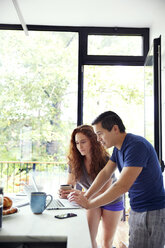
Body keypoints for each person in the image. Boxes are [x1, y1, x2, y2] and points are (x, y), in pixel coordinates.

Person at [68, 111, 165, 248]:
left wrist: (89, 204)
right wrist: (87, 195)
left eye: (100, 133)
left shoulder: (136, 146)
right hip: (137, 208)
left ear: (115, 129)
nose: (97, 139)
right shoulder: (118, 149)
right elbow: (105, 173)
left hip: (153, 210)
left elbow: (121, 186)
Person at [59, 124, 124, 248]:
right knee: (89, 238)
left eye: (83, 142)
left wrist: (81, 194)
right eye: (77, 143)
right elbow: (70, 183)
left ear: (93, 141)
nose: (80, 146)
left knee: (106, 243)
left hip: (111, 199)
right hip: (90, 198)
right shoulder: (75, 161)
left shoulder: (105, 159)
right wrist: (65, 191)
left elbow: (105, 191)